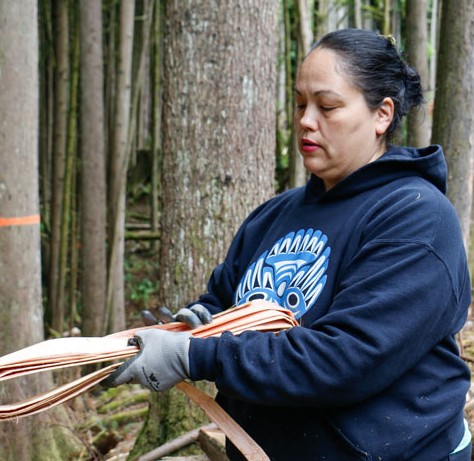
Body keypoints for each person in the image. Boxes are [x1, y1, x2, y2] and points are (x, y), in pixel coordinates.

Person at [104, 28, 472, 461]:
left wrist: (196, 355)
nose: (305, 121)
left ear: (382, 114)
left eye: (327, 106)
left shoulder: (416, 218)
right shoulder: (274, 215)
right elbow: (226, 298)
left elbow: (344, 359)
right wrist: (204, 322)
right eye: (300, 104)